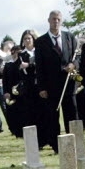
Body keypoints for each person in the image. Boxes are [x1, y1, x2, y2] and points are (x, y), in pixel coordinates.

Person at [33, 9, 80, 152]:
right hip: (50, 86)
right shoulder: (41, 42)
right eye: (53, 19)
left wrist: (73, 65)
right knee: (53, 117)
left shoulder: (69, 37)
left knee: (71, 115)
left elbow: (77, 57)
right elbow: (39, 66)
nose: (56, 22)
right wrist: (41, 87)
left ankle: (74, 143)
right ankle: (56, 146)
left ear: (62, 21)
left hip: (68, 84)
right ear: (48, 20)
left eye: (58, 19)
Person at [4, 31, 39, 139]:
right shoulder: (22, 55)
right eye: (25, 39)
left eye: (29, 38)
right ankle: (35, 140)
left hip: (41, 86)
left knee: (43, 113)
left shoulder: (39, 51)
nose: (27, 41)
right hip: (28, 88)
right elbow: (19, 72)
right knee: (30, 114)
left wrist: (29, 65)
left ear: (33, 39)